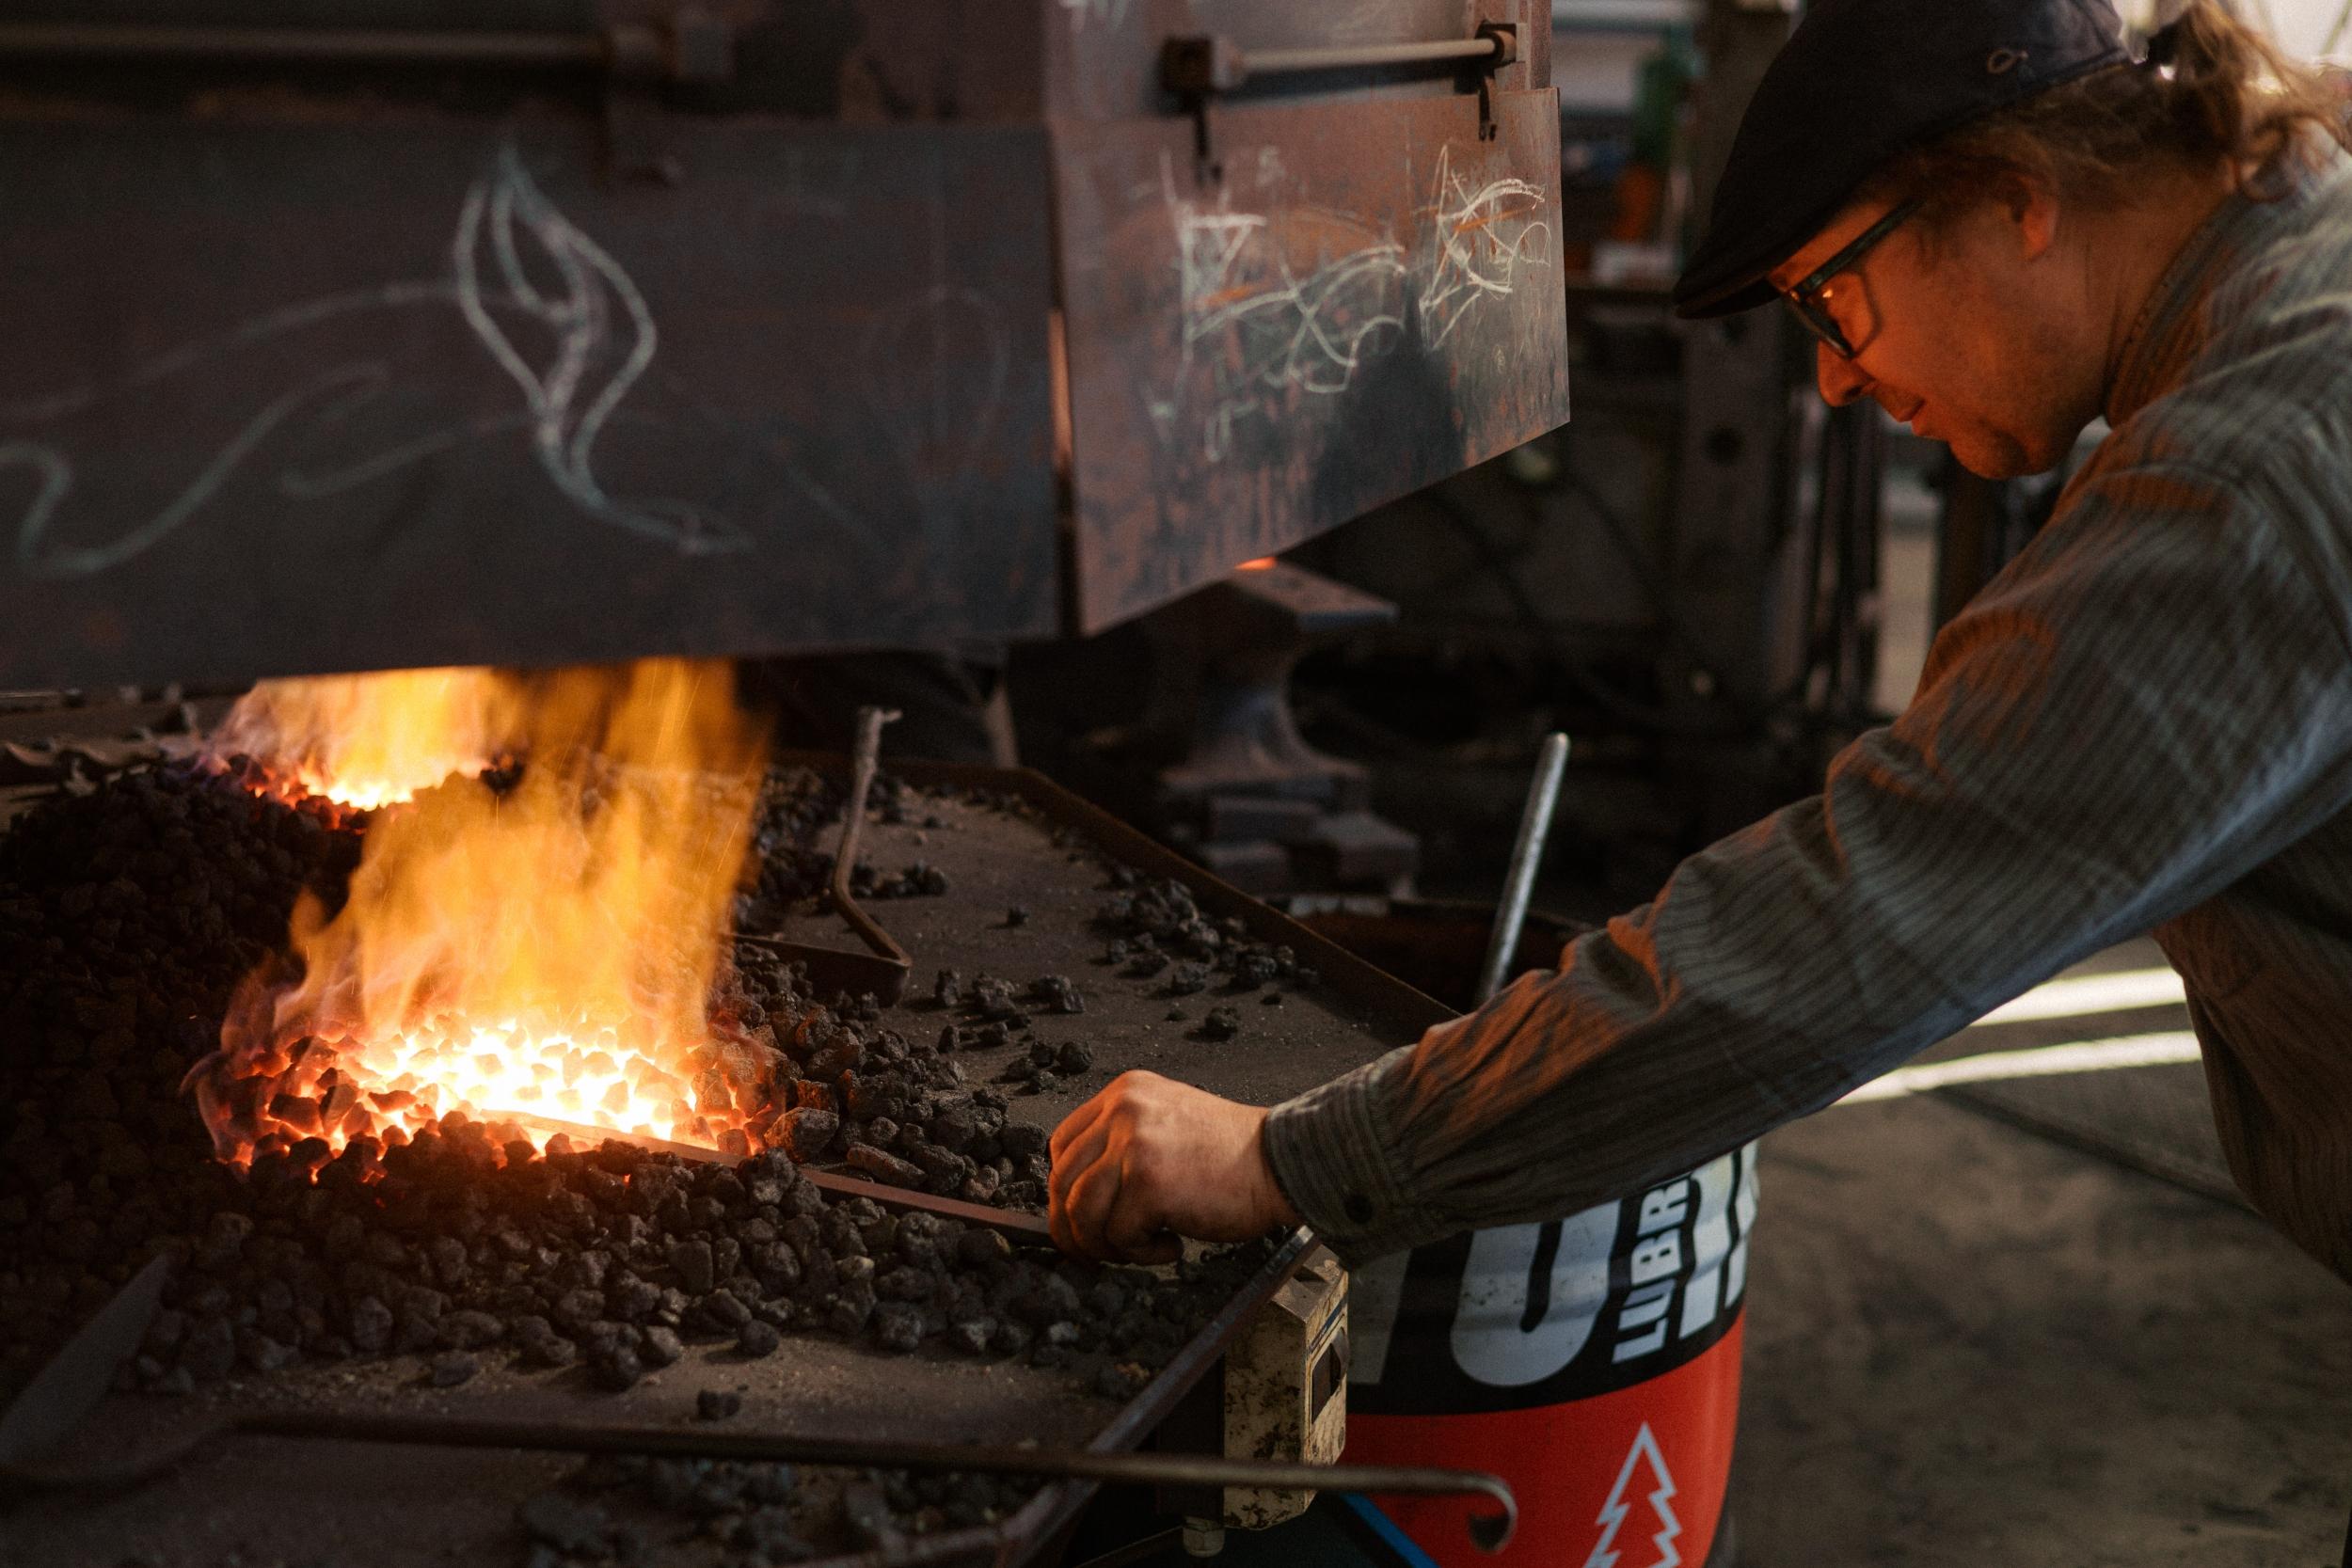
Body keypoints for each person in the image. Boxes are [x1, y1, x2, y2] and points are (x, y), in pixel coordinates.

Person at [1048, 0, 2352, 1552]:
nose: (1837, 386)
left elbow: (1850, 927)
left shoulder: (2251, 461)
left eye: (1830, 302)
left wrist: (1286, 1157)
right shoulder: (2295, 271)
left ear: (2015, 195)